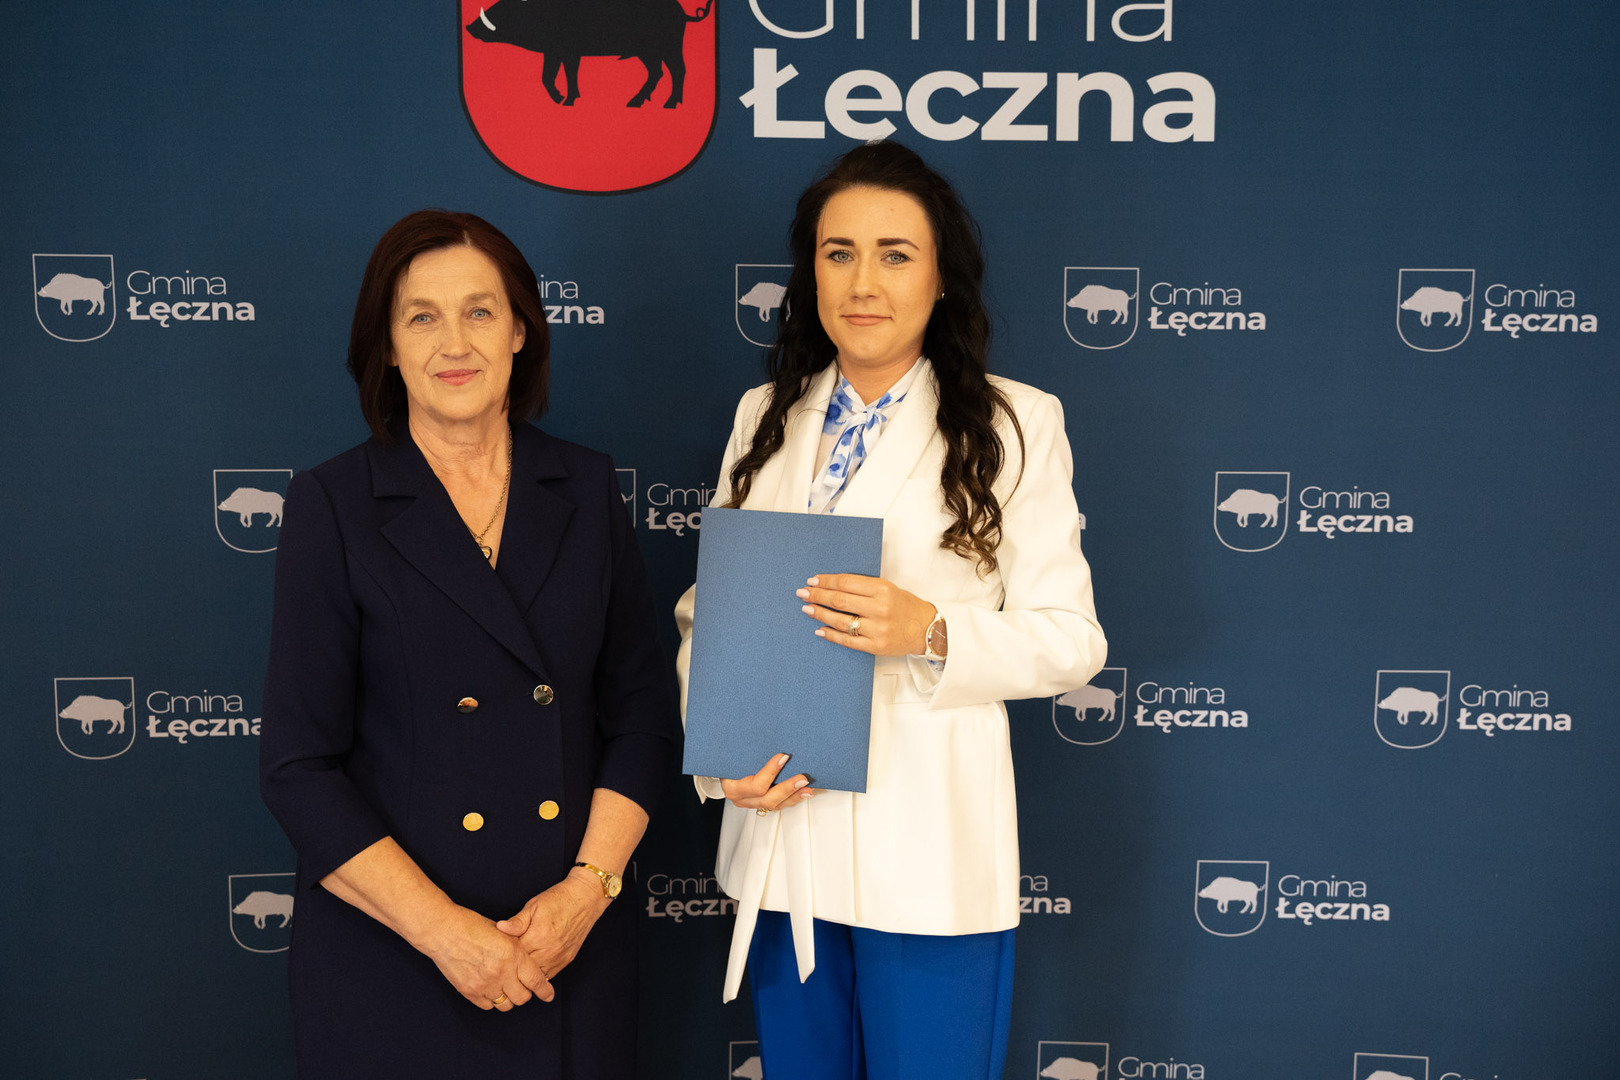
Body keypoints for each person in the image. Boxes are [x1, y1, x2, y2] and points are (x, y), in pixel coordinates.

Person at [675, 142, 1107, 1079]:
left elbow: (1073, 642)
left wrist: (932, 631)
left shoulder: (1015, 422)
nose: (863, 282)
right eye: (838, 253)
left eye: (895, 254)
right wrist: (722, 761)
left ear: (942, 277)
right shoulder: (763, 415)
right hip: (782, 843)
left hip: (928, 853)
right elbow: (710, 618)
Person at [260, 209, 679, 1079]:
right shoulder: (333, 505)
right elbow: (299, 768)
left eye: (480, 311)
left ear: (521, 330)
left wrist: (586, 893)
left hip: (566, 951)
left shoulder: (587, 486)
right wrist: (446, 934)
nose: (454, 342)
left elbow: (641, 717)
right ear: (388, 345)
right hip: (396, 959)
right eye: (422, 316)